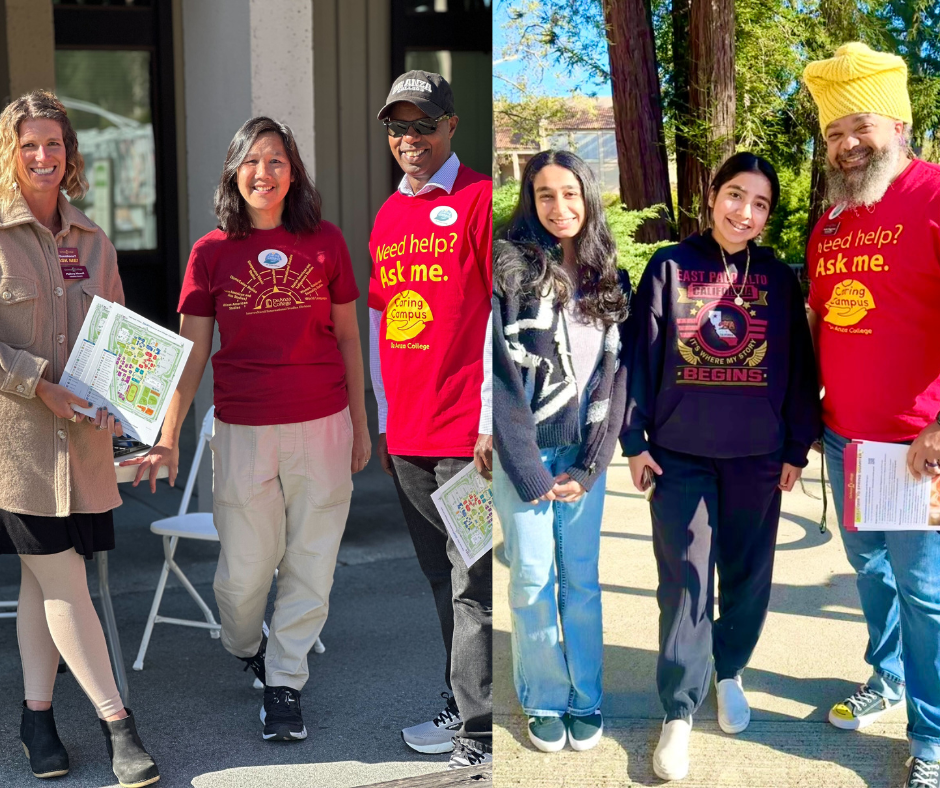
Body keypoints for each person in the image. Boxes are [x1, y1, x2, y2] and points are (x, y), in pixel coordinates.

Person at [128, 116, 368, 743]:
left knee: (313, 562)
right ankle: (247, 646)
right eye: (253, 161)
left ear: (294, 174)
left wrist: (363, 426)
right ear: (235, 172)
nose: (265, 173)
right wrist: (169, 433)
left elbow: (349, 338)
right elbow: (189, 355)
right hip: (242, 429)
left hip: (325, 422)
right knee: (243, 575)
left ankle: (285, 684)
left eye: (278, 161)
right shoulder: (210, 252)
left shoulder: (328, 243)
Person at [623, 152, 820, 782]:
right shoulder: (670, 266)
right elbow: (638, 355)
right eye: (736, 196)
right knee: (684, 580)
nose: (746, 213)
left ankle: (729, 671)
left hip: (759, 457)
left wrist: (794, 448)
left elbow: (798, 368)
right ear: (712, 196)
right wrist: (634, 438)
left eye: (760, 204)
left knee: (747, 574)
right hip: (680, 453)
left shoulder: (777, 280)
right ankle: (679, 709)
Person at [0, 91, 159, 787]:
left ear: (70, 155)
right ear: (10, 153)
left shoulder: (93, 241)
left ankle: (37, 720)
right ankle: (117, 722)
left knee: (45, 585)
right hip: (17, 452)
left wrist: (128, 404)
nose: (43, 157)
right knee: (66, 582)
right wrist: (39, 384)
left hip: (85, 449)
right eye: (29, 145)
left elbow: (119, 335)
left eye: (54, 145)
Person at [803, 43, 940, 788]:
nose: (848, 145)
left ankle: (933, 737)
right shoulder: (832, 220)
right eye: (834, 134)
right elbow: (822, 320)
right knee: (871, 572)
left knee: (926, 593)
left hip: (918, 447)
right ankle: (886, 680)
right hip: (844, 441)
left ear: (899, 125)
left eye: (860, 127)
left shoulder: (935, 195)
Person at [368, 70, 493, 768]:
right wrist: (386, 423)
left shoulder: (477, 200)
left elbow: (496, 318)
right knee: (445, 580)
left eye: (422, 125)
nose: (409, 139)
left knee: (475, 583)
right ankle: (465, 703)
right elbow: (386, 321)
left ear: (450, 127)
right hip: (410, 438)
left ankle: (479, 734)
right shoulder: (390, 215)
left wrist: (486, 425)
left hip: (464, 441)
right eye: (398, 127)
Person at [492, 150, 630, 753]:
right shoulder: (508, 266)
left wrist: (590, 463)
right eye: (545, 195)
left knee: (582, 580)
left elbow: (615, 375)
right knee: (529, 579)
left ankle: (586, 695)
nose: (559, 207)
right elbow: (498, 373)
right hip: (522, 451)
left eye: (570, 193)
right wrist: (525, 466)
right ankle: (544, 698)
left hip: (582, 452)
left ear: (587, 195)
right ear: (530, 200)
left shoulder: (607, 274)